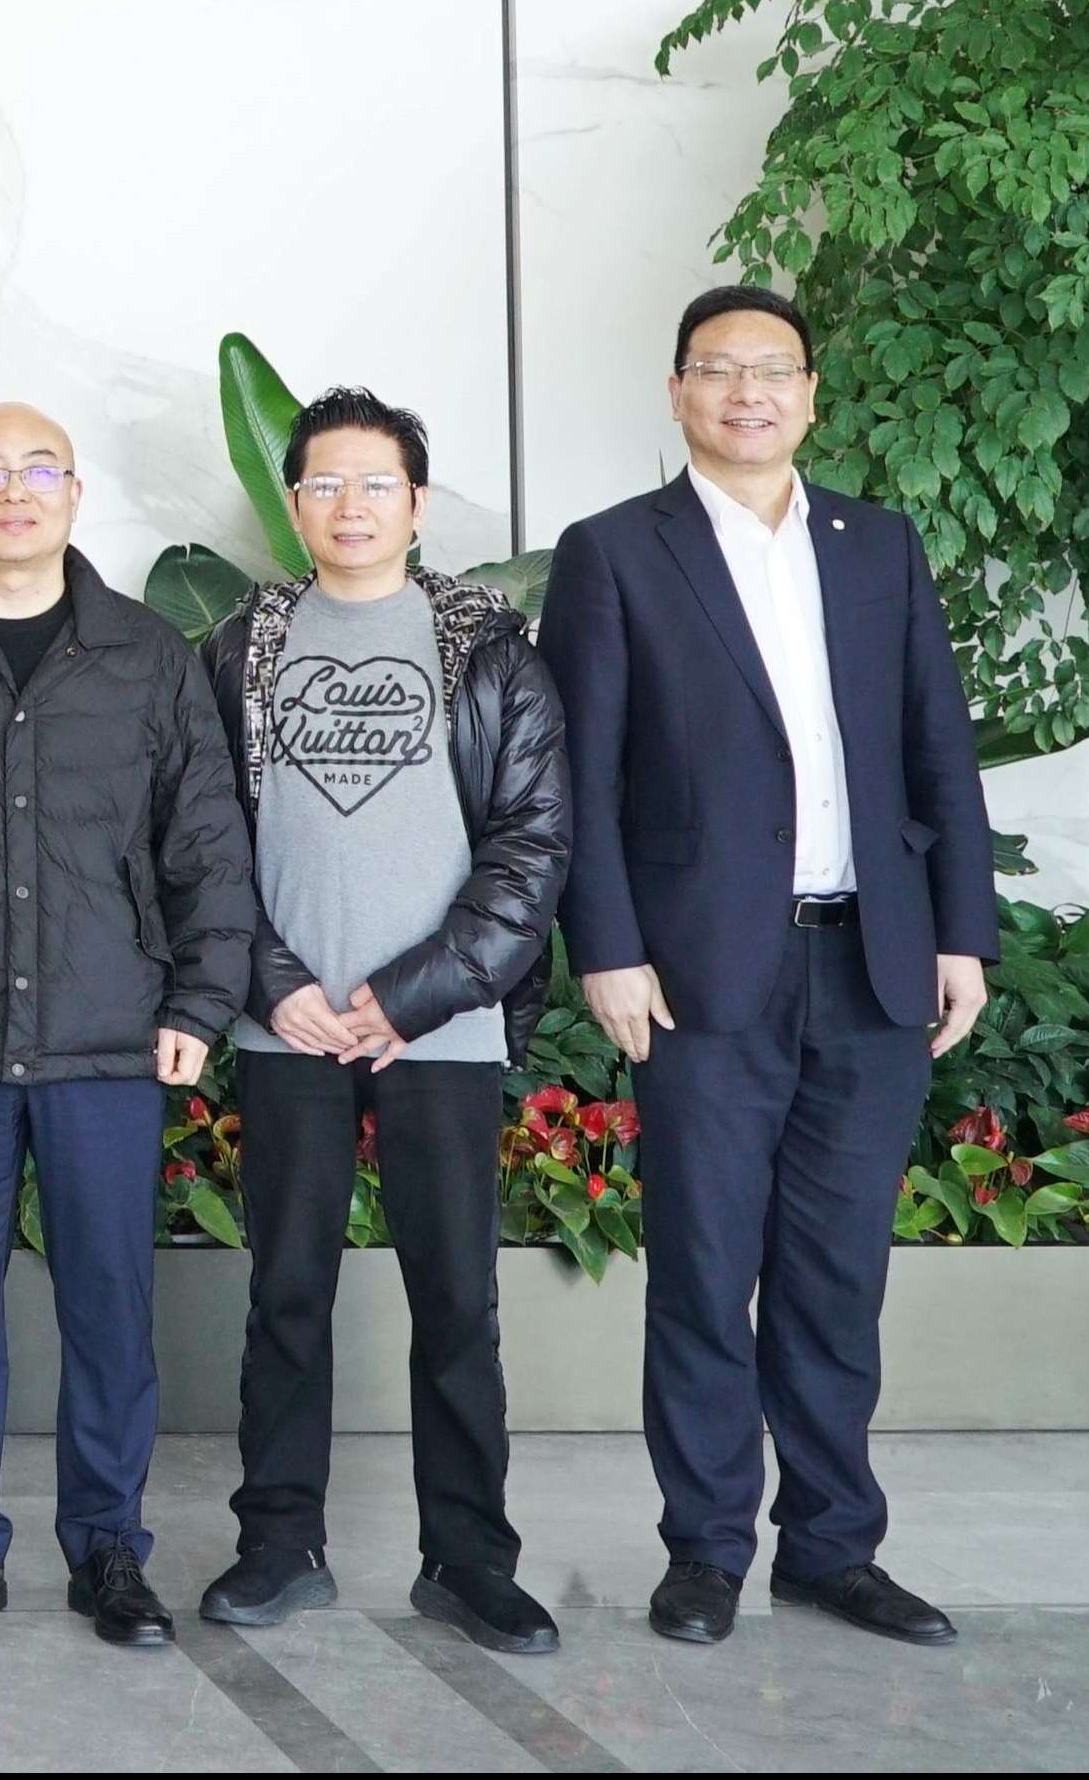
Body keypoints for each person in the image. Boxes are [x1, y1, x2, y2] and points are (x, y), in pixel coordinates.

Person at [544, 284, 998, 1649]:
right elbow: (579, 776)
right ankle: (704, 1550)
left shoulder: (877, 545)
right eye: (718, 369)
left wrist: (961, 931)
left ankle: (832, 1547)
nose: (747, 393)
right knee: (701, 1270)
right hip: (699, 974)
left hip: (871, 964)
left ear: (810, 392)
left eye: (773, 370)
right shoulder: (615, 552)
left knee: (837, 1274)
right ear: (678, 392)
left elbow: (937, 748)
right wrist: (607, 947)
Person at [0, 402, 250, 1650]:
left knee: (110, 1304)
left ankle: (109, 1546)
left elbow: (205, 838)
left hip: (106, 1032)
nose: (12, 491)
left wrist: (200, 999)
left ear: (72, 494)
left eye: (37, 469)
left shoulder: (147, 655)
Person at [193, 389, 566, 1655]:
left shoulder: (492, 650)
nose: (348, 506)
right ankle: (276, 1543)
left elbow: (532, 847)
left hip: (437, 1031)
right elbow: (198, 841)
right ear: (292, 502)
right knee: (286, 1294)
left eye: (373, 484)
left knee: (455, 1301)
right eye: (323, 485)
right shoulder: (237, 649)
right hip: (288, 1028)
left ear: (415, 502)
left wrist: (414, 995)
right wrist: (270, 982)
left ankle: (468, 1560)